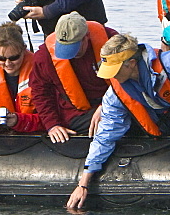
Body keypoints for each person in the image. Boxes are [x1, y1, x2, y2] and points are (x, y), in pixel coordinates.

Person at [67, 34, 170, 209]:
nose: (112, 76)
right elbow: (105, 135)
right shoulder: (115, 94)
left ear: (131, 63)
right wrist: (83, 183)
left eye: (115, 69)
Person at [30, 12, 118, 143]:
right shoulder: (44, 56)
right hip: (76, 113)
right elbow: (40, 92)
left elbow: (128, 81)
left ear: (86, 37)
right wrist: (52, 125)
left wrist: (106, 106)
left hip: (112, 103)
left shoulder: (112, 41)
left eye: (75, 47)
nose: (71, 54)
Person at [0, 22, 43, 133]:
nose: (8, 63)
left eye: (14, 57)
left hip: (35, 132)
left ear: (24, 50)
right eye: (1, 58)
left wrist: (19, 121)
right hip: (2, 134)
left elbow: (51, 116)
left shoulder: (41, 70)